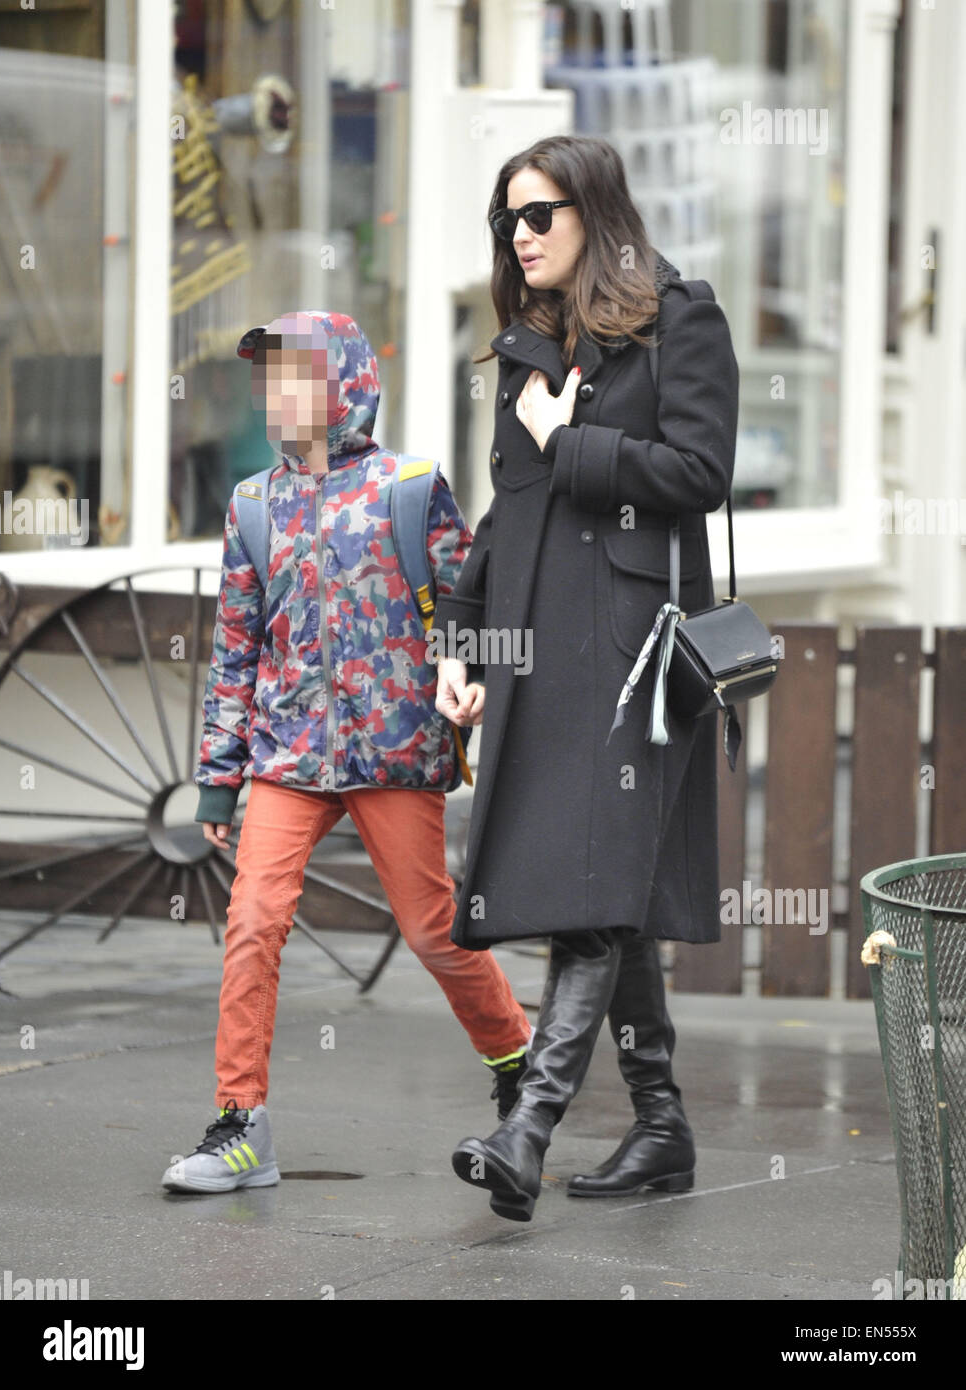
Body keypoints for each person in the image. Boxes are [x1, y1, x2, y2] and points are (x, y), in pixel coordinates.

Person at [434, 135, 740, 1222]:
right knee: (600, 885)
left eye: (538, 216)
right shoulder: (527, 348)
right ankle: (659, 1125)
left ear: (593, 213)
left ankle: (528, 1128)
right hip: (538, 655)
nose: (519, 238)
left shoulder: (679, 318)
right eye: (507, 221)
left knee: (598, 880)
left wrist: (576, 446)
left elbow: (700, 473)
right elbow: (503, 514)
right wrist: (460, 646)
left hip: (632, 656)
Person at [162, 310, 532, 1194]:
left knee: (433, 929)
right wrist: (217, 782)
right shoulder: (253, 503)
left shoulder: (410, 487)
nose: (278, 394)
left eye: (297, 375)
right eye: (269, 379)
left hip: (395, 748)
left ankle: (520, 1066)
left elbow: (464, 606)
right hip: (285, 753)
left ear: (347, 384)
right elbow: (237, 648)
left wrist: (472, 679)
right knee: (252, 920)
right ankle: (238, 1125)